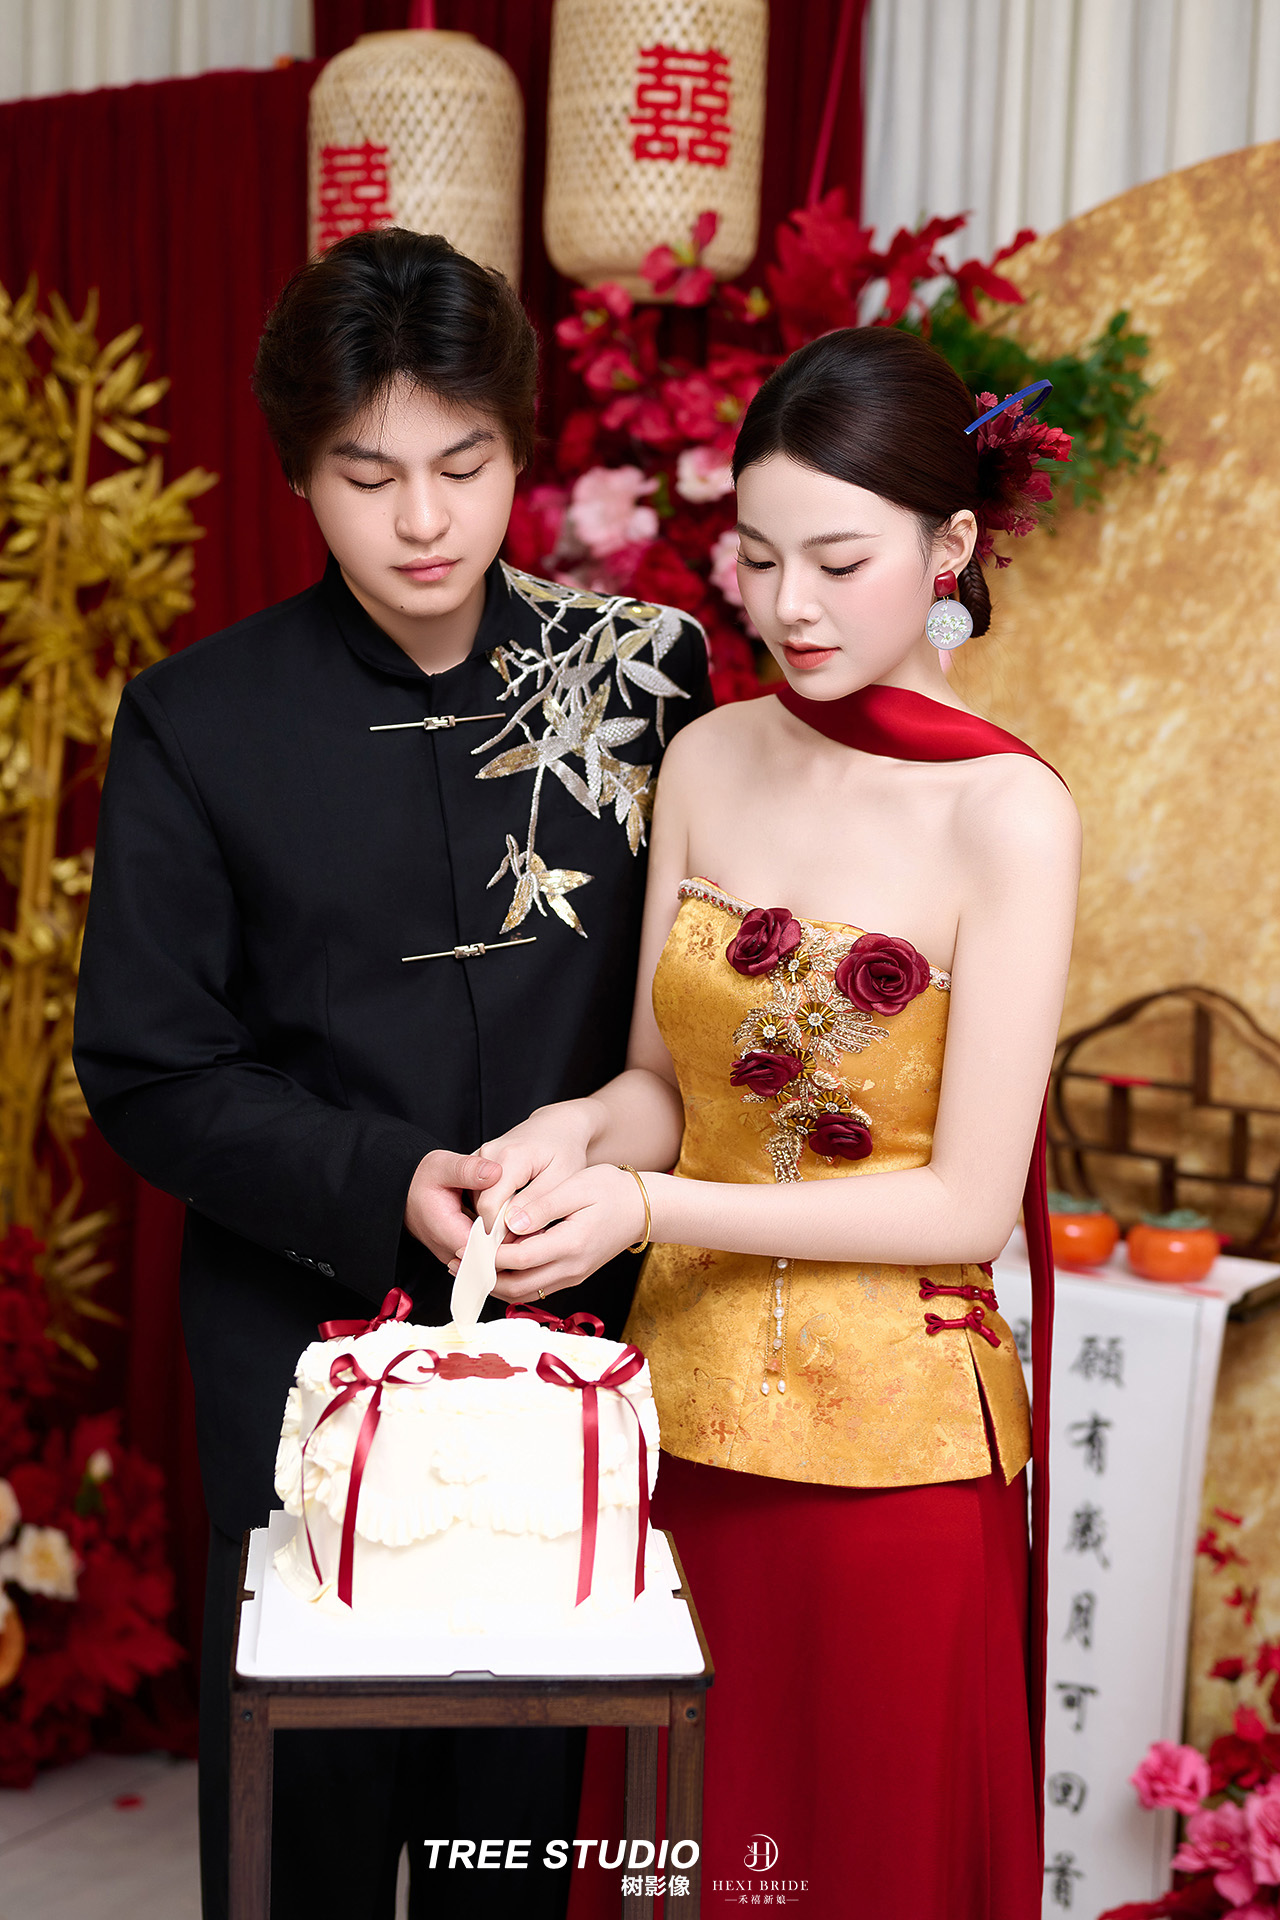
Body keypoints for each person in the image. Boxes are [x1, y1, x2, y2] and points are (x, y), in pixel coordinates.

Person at [72, 228, 710, 1920]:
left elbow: (696, 1011)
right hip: (302, 1367)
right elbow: (146, 1066)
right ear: (299, 472)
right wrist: (384, 1181)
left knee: (528, 1840)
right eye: (368, 476)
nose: (423, 520)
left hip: (580, 1350)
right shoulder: (198, 719)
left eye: (464, 464)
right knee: (311, 1845)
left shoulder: (644, 677)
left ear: (522, 448)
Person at [473, 327, 1080, 1919]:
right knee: (685, 1865)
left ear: (949, 548)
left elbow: (964, 1207)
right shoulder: (710, 756)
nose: (789, 605)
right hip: (682, 1429)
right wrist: (570, 1137)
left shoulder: (1010, 813)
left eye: (839, 560)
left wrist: (651, 1211)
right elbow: (661, 1088)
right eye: (757, 555)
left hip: (895, 1472)